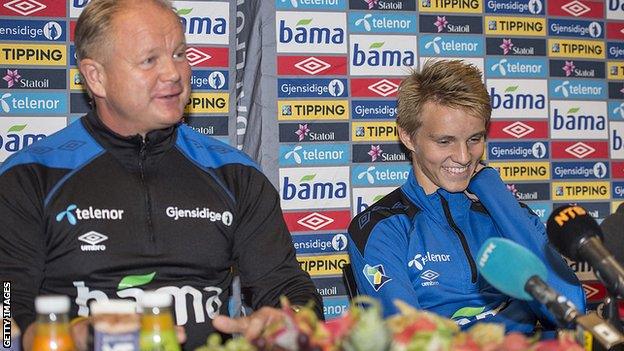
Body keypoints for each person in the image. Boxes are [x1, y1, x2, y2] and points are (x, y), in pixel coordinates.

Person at [0, 0, 321, 350]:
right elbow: (5, 319)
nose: (173, 73)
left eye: (180, 54)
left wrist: (289, 322)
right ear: (96, 76)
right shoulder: (30, 177)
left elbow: (289, 290)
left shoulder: (235, 174)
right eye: (149, 60)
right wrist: (72, 337)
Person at [347, 60, 585, 333]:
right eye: (445, 141)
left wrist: (493, 190)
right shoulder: (382, 227)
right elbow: (409, 340)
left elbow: (572, 312)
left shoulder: (505, 211)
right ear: (408, 137)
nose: (463, 157)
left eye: (474, 139)